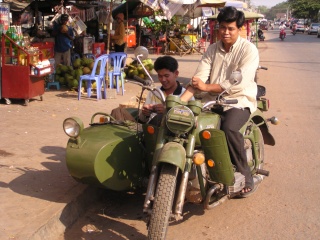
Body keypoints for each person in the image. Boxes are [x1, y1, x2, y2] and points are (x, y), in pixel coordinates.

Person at [180, 6, 259, 196]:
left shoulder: (249, 50)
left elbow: (236, 82)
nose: (226, 32)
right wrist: (180, 103)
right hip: (212, 101)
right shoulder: (212, 49)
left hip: (238, 100)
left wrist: (206, 87)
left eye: (231, 28)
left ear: (239, 29)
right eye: (223, 27)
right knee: (190, 125)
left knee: (229, 128)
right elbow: (199, 78)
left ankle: (245, 174)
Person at [139, 56, 193, 124]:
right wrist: (145, 113)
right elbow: (142, 121)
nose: (163, 80)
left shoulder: (186, 94)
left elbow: (191, 120)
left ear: (176, 74)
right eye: (160, 76)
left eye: (166, 76)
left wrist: (168, 111)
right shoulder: (154, 92)